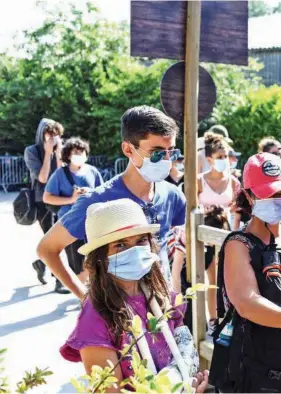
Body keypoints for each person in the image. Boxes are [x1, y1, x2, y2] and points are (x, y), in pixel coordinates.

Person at [37, 106, 187, 299]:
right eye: (157, 153)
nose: (167, 161)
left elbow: (172, 249)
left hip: (162, 313)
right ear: (128, 149)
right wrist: (85, 298)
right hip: (117, 318)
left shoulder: (172, 196)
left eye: (171, 153)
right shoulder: (97, 201)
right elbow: (47, 249)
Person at [60, 199, 208, 391]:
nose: (135, 251)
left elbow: (183, 351)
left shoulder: (161, 294)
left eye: (140, 241)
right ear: (100, 257)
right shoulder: (95, 317)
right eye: (120, 245)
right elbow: (109, 390)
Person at [210, 152, 281, 392]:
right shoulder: (239, 244)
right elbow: (247, 303)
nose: (275, 199)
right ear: (249, 196)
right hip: (257, 368)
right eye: (267, 193)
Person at [43, 137, 103, 285]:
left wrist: (89, 192)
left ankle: (92, 293)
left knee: (95, 260)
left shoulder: (93, 171)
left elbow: (102, 193)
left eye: (82, 152)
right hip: (70, 223)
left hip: (92, 222)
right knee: (77, 263)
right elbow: (47, 197)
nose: (79, 154)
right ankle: (82, 297)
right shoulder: (59, 174)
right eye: (76, 152)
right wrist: (71, 199)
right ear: (68, 155)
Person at [198, 133, 241, 328]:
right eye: (220, 157)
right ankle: (212, 317)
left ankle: (227, 316)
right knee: (210, 276)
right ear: (209, 159)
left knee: (227, 277)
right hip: (204, 236)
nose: (224, 161)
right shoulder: (199, 181)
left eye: (226, 157)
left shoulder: (233, 182)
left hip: (226, 233)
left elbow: (237, 209)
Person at [24, 119, 66, 292]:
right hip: (42, 201)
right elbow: (42, 178)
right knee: (53, 239)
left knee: (59, 239)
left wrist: (58, 154)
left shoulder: (59, 150)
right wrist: (48, 154)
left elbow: (61, 174)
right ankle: (59, 280)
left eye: (55, 134)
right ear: (42, 134)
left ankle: (41, 263)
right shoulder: (31, 151)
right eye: (49, 134)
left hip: (60, 198)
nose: (52, 138)